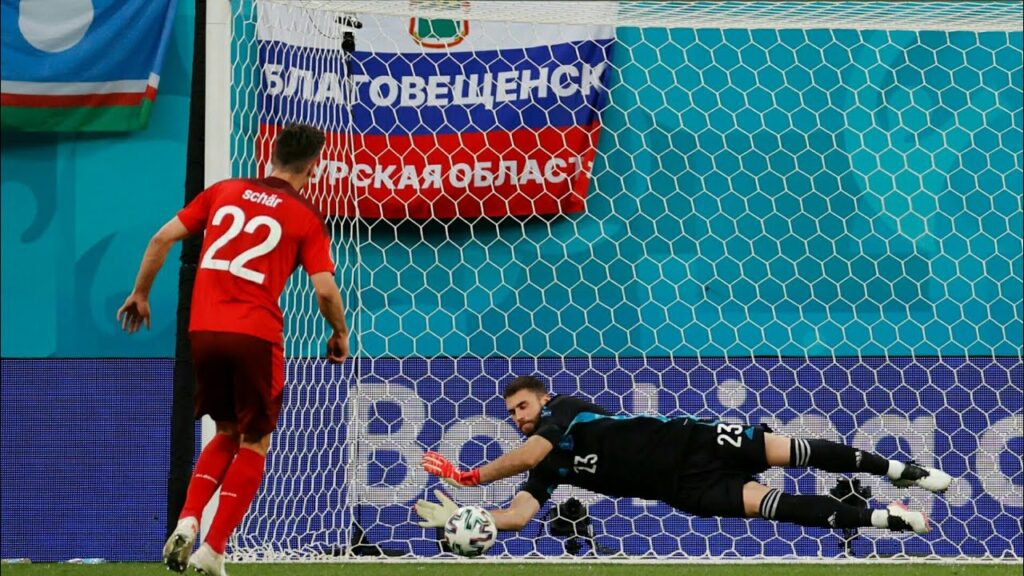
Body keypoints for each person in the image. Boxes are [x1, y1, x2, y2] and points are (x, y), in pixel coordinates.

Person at [117, 123, 350, 575]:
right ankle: (214, 548)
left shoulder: (223, 190)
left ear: (271, 155)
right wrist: (339, 333)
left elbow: (161, 238)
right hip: (255, 335)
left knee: (225, 429)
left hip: (203, 329)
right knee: (256, 440)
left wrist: (141, 293)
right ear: (314, 166)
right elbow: (325, 291)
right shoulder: (305, 217)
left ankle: (188, 519)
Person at [416, 374, 951, 541]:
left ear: (544, 399)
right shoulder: (548, 467)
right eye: (510, 413)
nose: (517, 416)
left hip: (691, 441)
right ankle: (887, 518)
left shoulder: (567, 412)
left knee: (797, 451)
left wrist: (470, 476)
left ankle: (901, 472)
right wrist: (475, 519)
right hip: (683, 488)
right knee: (780, 507)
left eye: (522, 406)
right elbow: (520, 514)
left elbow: (530, 449)